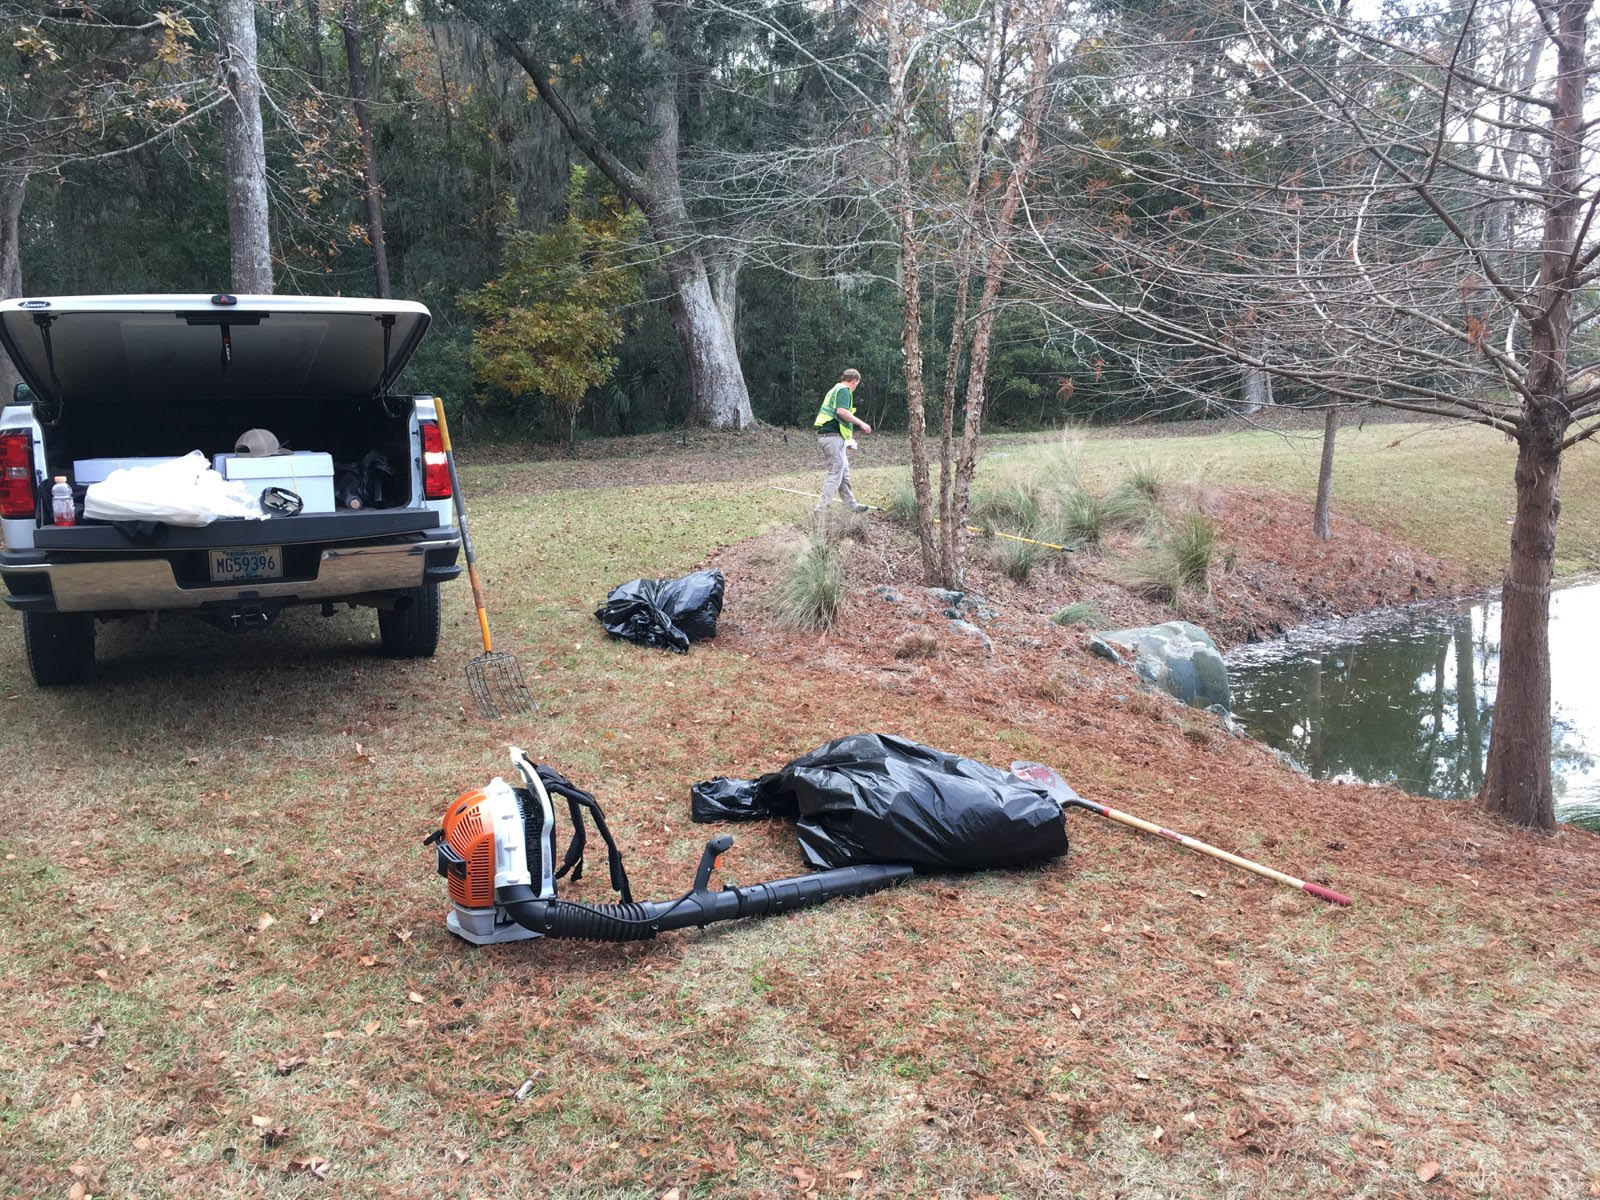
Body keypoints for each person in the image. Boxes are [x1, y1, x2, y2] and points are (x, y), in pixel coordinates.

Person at [813, 368, 871, 514]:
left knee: (843, 473)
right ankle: (821, 510)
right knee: (835, 473)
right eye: (857, 384)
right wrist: (862, 423)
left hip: (833, 436)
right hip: (832, 437)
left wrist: (848, 440)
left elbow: (838, 418)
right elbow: (841, 412)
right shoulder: (845, 390)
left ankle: (851, 506)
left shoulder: (835, 389)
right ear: (854, 381)